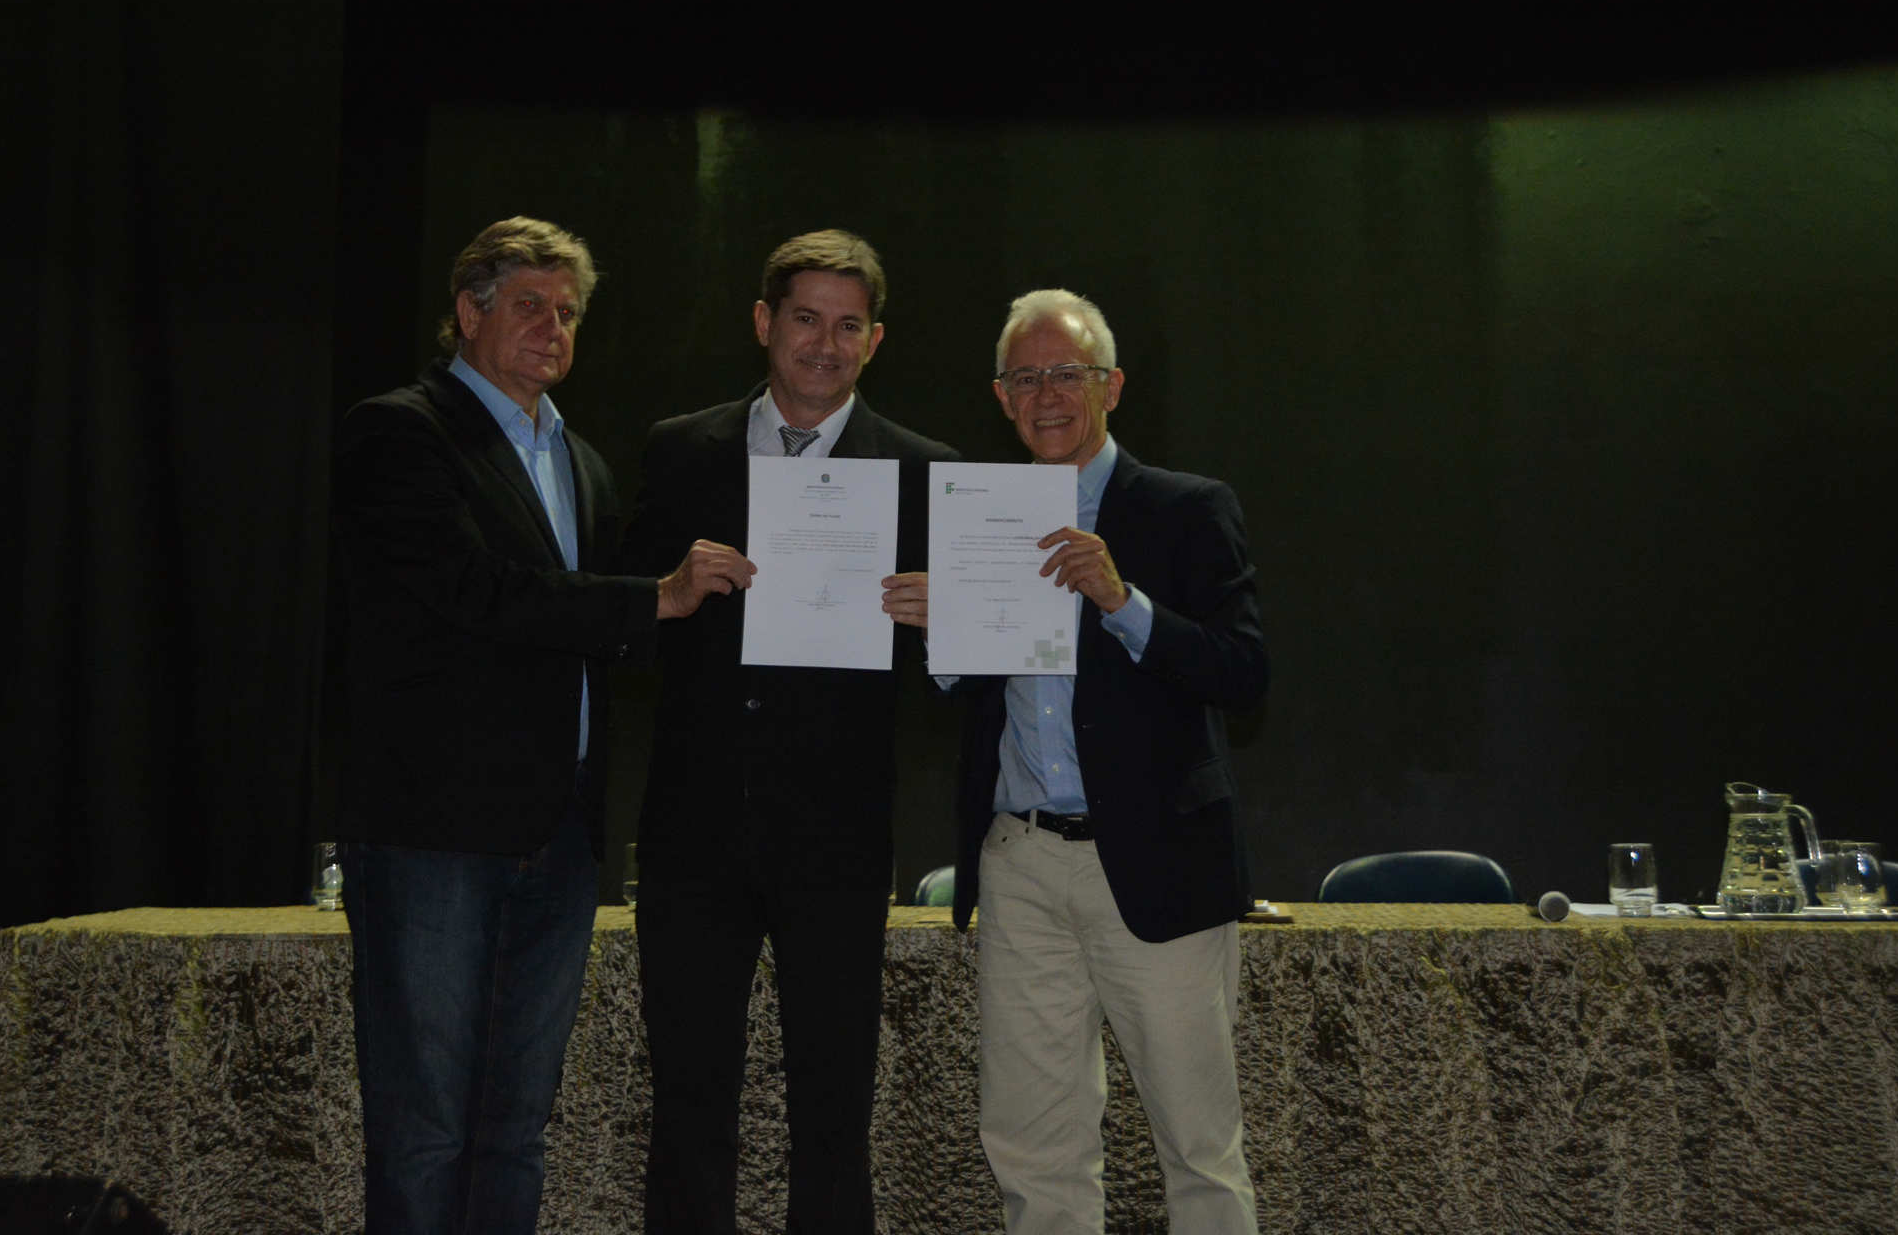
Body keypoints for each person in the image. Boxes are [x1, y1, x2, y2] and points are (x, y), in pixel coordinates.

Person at [332, 217, 751, 1235]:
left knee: (517, 1129)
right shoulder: (400, 431)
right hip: (435, 832)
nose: (552, 328)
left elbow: (619, 620)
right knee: (425, 1129)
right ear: (467, 311)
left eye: (568, 312)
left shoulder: (582, 461)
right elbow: (473, 589)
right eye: (529, 305)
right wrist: (656, 596)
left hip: (559, 836)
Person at [882, 289, 1268, 1235]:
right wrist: (937, 630)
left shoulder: (1185, 508)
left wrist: (1122, 601)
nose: (1046, 395)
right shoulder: (978, 517)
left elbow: (1243, 673)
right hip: (1019, 862)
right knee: (1033, 1149)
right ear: (1001, 398)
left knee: (1198, 1146)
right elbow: (971, 693)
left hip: (1156, 859)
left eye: (1068, 373)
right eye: (1025, 378)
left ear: (1113, 387)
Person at [620, 229, 959, 1234]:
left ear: (876, 340)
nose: (825, 343)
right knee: (688, 1099)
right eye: (806, 318)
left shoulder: (924, 470)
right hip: (693, 832)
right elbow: (622, 623)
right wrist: (665, 590)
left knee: (835, 1105)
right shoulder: (679, 448)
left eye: (848, 325)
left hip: (837, 839)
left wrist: (946, 624)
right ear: (765, 322)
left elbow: (957, 684)